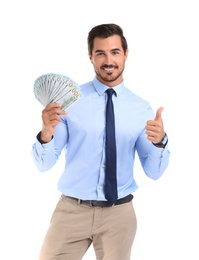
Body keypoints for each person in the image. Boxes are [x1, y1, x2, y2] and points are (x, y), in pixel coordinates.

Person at [32, 23, 170, 260]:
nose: (109, 60)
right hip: (71, 212)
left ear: (126, 54)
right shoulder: (70, 102)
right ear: (90, 57)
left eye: (115, 52)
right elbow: (44, 164)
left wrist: (160, 142)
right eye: (100, 53)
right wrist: (46, 132)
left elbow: (154, 172)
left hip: (119, 216)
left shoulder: (141, 109)